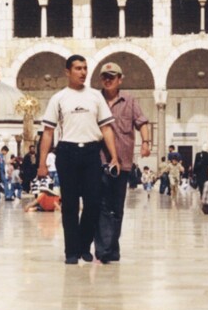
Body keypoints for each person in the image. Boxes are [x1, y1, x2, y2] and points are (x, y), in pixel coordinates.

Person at [37, 54, 119, 265]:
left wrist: (114, 157)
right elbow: (48, 132)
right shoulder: (59, 98)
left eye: (85, 68)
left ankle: (84, 244)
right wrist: (42, 163)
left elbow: (106, 128)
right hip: (67, 152)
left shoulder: (95, 97)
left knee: (92, 203)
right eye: (78, 68)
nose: (83, 72)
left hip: (91, 153)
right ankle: (71, 252)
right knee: (70, 205)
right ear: (67, 72)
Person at [94, 62, 150, 264]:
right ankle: (103, 250)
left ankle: (111, 249)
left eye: (112, 76)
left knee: (116, 207)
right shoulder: (94, 99)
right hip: (98, 161)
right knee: (100, 206)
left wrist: (146, 142)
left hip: (123, 162)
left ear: (120, 79)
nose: (108, 80)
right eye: (104, 76)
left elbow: (142, 122)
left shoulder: (130, 101)